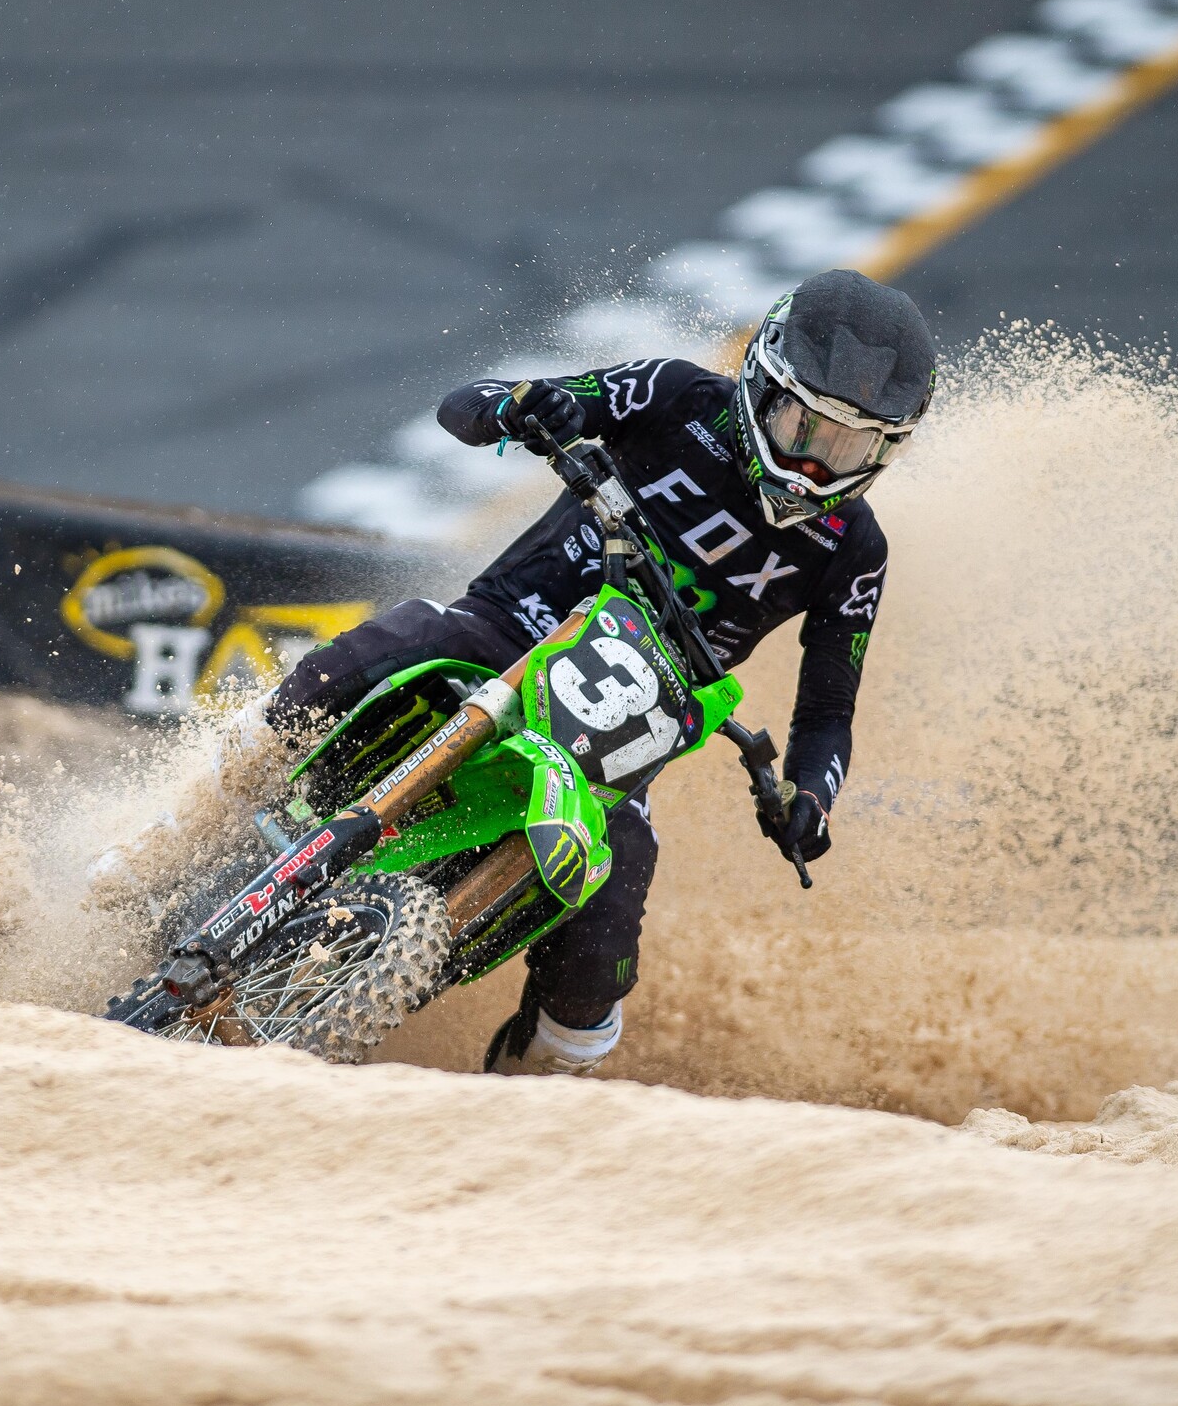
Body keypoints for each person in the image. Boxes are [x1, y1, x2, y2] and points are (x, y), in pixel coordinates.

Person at [94, 269, 937, 1077]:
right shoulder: (677, 395)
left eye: (852, 445)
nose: (816, 464)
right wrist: (527, 405)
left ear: (887, 451)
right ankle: (176, 833)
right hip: (505, 631)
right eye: (803, 427)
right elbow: (466, 408)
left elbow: (828, 712)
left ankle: (537, 1089)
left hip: (620, 744)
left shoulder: (855, 552)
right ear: (761, 385)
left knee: (613, 905)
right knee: (396, 644)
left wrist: (811, 799)